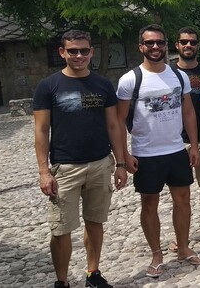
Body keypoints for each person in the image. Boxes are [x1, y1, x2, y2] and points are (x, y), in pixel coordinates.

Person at [34, 30, 128, 288]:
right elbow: (41, 130)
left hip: (100, 163)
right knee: (61, 228)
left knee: (95, 221)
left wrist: (120, 164)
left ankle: (92, 274)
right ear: (62, 52)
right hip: (65, 168)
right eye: (72, 51)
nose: (79, 55)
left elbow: (113, 125)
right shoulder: (48, 86)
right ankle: (62, 281)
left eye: (84, 50)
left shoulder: (103, 84)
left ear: (91, 52)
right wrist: (44, 171)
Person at [116, 24, 200, 278]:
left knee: (183, 200)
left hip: (176, 149)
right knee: (149, 204)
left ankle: (183, 247)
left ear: (166, 45)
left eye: (159, 42)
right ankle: (156, 255)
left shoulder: (178, 76)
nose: (155, 47)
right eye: (150, 43)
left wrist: (194, 145)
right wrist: (123, 156)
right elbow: (118, 120)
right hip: (145, 153)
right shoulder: (130, 80)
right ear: (141, 47)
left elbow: (188, 112)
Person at [169, 27, 200, 253]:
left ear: (198, 45)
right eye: (184, 42)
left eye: (192, 42)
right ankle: (181, 236)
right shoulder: (168, 73)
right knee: (179, 191)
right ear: (177, 45)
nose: (188, 45)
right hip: (176, 140)